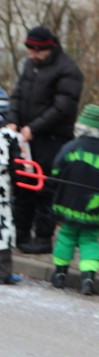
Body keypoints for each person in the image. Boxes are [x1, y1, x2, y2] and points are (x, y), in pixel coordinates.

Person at [6, 25, 83, 254]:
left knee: (45, 188)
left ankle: (42, 236)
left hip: (50, 139)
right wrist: (13, 120)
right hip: (25, 137)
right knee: (22, 185)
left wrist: (35, 128)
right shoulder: (31, 65)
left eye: (37, 51)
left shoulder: (68, 70)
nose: (32, 55)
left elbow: (63, 107)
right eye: (30, 50)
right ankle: (20, 233)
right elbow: (18, 94)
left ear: (49, 48)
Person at [49, 104, 99, 295]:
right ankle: (88, 278)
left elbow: (55, 172)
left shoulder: (70, 148)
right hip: (94, 209)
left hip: (68, 205)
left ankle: (60, 273)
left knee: (66, 237)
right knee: (90, 240)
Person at [0, 87, 22, 284]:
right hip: (3, 196)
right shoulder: (9, 136)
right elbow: (18, 166)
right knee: (3, 233)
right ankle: (4, 273)